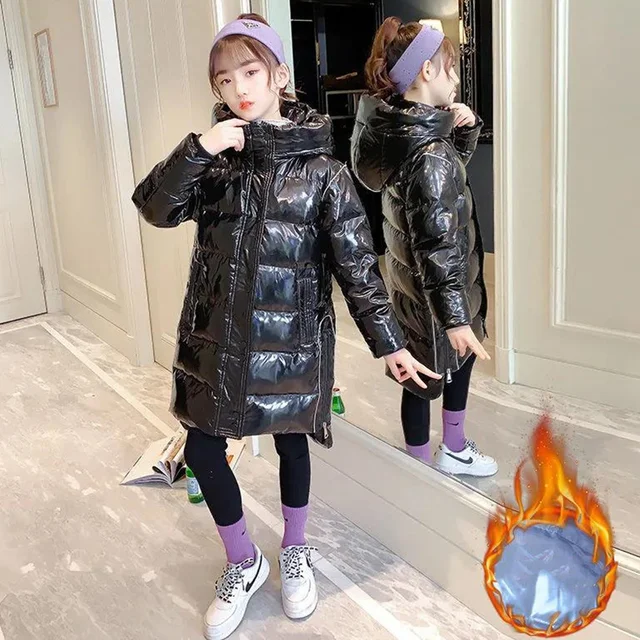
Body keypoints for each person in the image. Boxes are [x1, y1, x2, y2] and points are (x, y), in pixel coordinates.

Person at [132, 14, 438, 640]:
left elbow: (358, 269)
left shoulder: (324, 172)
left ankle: (295, 550)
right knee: (202, 449)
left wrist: (390, 345)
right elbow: (155, 208)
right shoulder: (215, 165)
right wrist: (199, 149)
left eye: (250, 71)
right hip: (216, 340)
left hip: (293, 341)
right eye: (224, 80)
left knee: (292, 445)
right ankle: (243, 561)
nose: (239, 88)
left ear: (279, 76)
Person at [351, 17, 498, 479]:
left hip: (411, 292)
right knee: (441, 371)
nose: (455, 78)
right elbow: (438, 243)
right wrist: (456, 317)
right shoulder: (429, 153)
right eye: (450, 68)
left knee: (417, 378)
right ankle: (448, 451)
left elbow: (443, 190)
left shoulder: (404, 137)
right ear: (427, 71)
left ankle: (419, 463)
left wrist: (462, 132)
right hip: (439, 298)